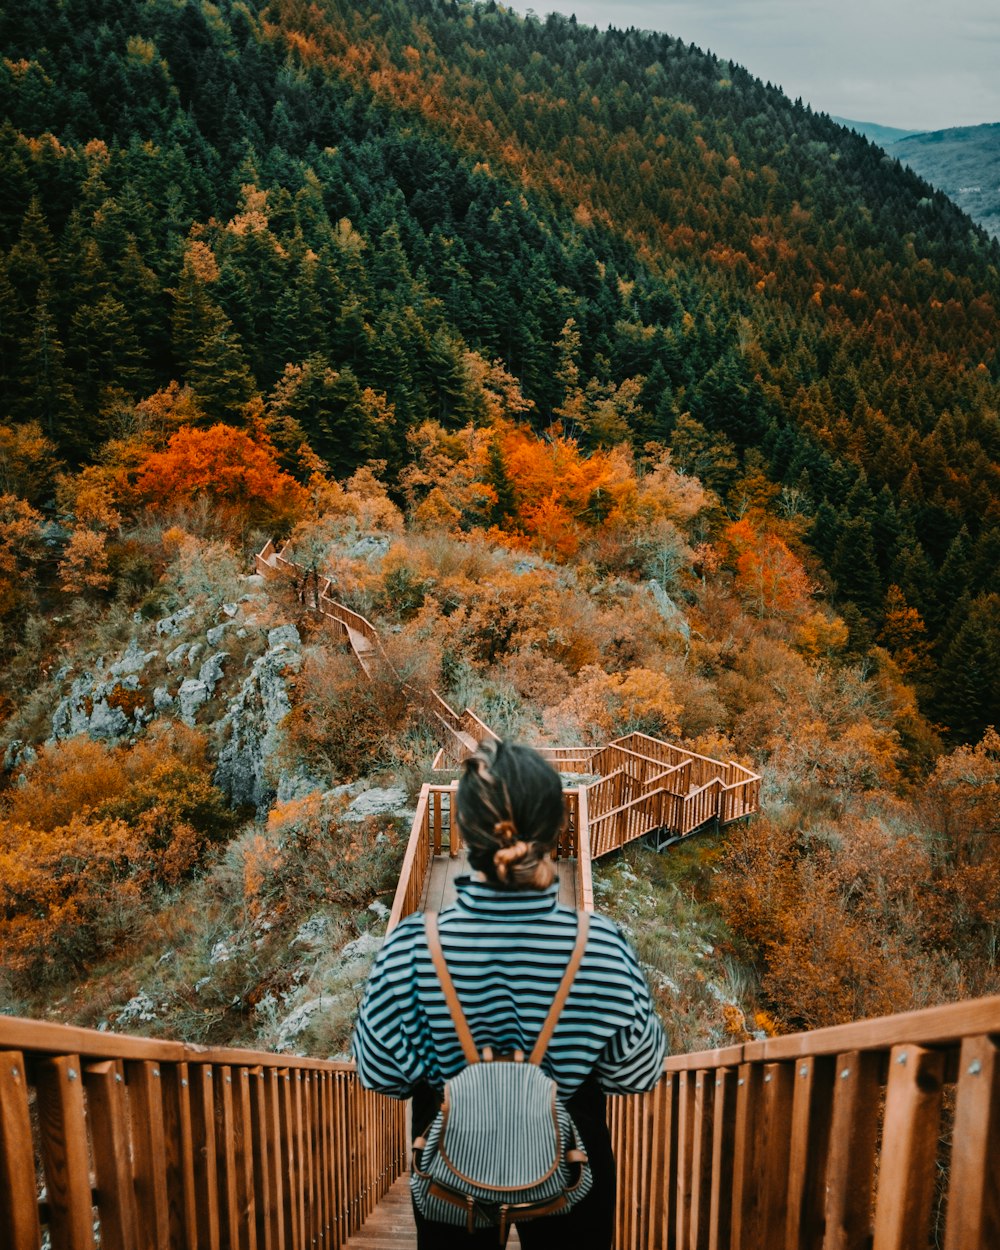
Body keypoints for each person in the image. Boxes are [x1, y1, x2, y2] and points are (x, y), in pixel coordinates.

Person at [352, 739, 667, 1249]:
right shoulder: (600, 946)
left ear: (464, 831)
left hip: (454, 1178)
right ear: (554, 829)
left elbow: (380, 1075)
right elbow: (637, 1072)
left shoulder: (411, 949)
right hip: (571, 1170)